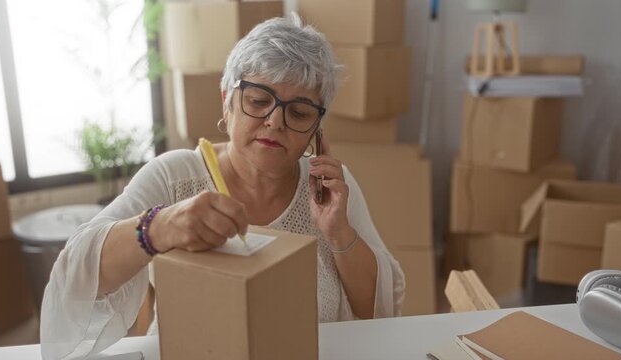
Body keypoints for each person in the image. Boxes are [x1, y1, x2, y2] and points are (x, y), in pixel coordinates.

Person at [40, 15, 405, 360]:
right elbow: (74, 277)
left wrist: (338, 232)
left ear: (316, 128)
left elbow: (378, 308)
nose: (275, 122)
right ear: (226, 102)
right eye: (259, 101)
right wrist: (158, 228)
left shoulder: (328, 188)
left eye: (299, 112)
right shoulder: (175, 177)